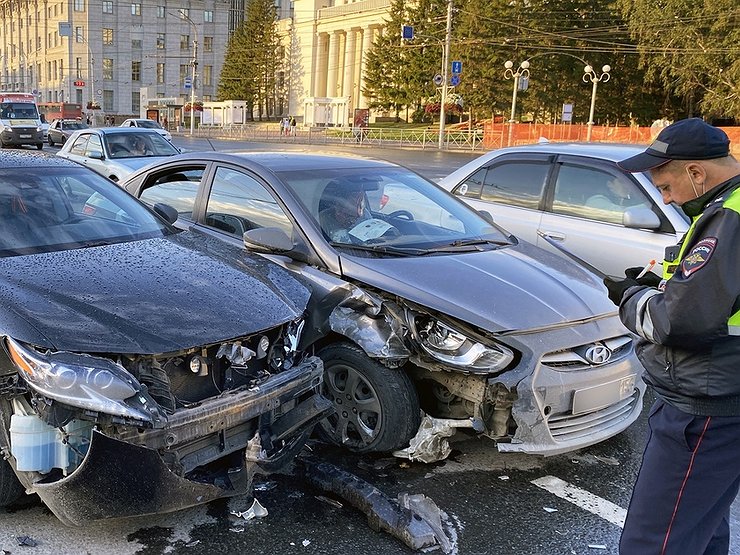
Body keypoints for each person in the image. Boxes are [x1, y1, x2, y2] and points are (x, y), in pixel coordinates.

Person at [603, 118, 740, 555]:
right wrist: (659, 283)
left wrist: (632, 299)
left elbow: (680, 323)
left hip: (704, 406)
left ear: (695, 173)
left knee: (655, 542)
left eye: (665, 187)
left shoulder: (728, 219)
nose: (665, 197)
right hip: (726, 395)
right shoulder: (730, 206)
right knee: (702, 527)